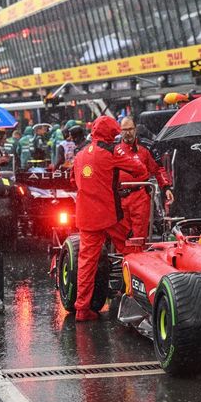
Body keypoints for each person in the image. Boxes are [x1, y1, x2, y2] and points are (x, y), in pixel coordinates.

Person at [71, 116, 148, 322]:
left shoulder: (80, 155)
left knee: (86, 263)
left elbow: (73, 180)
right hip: (110, 215)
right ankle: (138, 299)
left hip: (86, 216)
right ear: (110, 134)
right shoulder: (113, 152)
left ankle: (81, 309)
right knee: (132, 253)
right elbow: (140, 170)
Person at [118, 116, 174, 240]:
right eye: (125, 129)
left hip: (140, 197)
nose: (128, 133)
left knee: (139, 236)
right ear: (120, 131)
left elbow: (158, 170)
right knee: (122, 237)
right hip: (120, 198)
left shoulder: (146, 148)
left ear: (135, 129)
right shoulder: (113, 149)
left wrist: (166, 188)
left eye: (130, 129)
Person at [169, 136, 201, 219]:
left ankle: (199, 227)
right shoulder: (180, 138)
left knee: (200, 210)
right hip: (186, 181)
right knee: (187, 211)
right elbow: (173, 147)